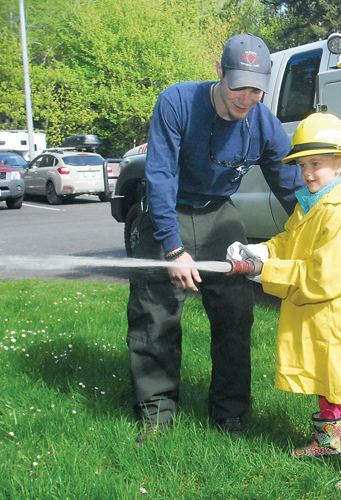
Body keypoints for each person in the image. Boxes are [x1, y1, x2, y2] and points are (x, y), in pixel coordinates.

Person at [126, 33, 303, 444]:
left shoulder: (262, 122)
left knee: (235, 319)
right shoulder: (177, 102)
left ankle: (230, 414)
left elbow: (291, 183)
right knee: (156, 317)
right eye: (239, 85)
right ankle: (156, 413)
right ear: (220, 72)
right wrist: (172, 249)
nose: (246, 97)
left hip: (220, 216)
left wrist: (326, 224)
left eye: (256, 89)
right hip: (167, 213)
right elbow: (161, 177)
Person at [226, 113, 341, 491]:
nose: (308, 172)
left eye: (317, 163)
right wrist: (260, 249)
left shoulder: (339, 216)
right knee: (321, 376)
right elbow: (288, 242)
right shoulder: (312, 203)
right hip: (313, 315)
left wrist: (265, 271)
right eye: (303, 164)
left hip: (331, 318)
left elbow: (322, 276)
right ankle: (328, 441)